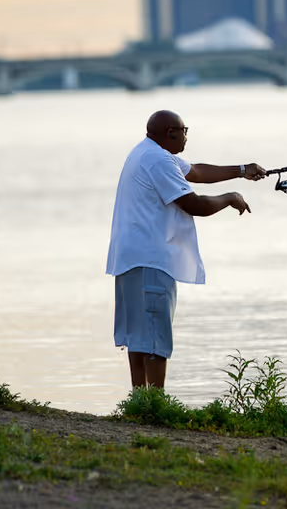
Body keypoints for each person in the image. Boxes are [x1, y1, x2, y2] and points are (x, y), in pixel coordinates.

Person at [106, 110, 267, 390]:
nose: (186, 136)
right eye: (184, 130)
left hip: (130, 258)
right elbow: (196, 205)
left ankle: (140, 402)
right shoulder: (158, 161)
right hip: (151, 259)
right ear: (171, 132)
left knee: (138, 338)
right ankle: (155, 405)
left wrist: (243, 170)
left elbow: (197, 171)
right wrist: (230, 198)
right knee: (155, 338)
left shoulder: (146, 152)